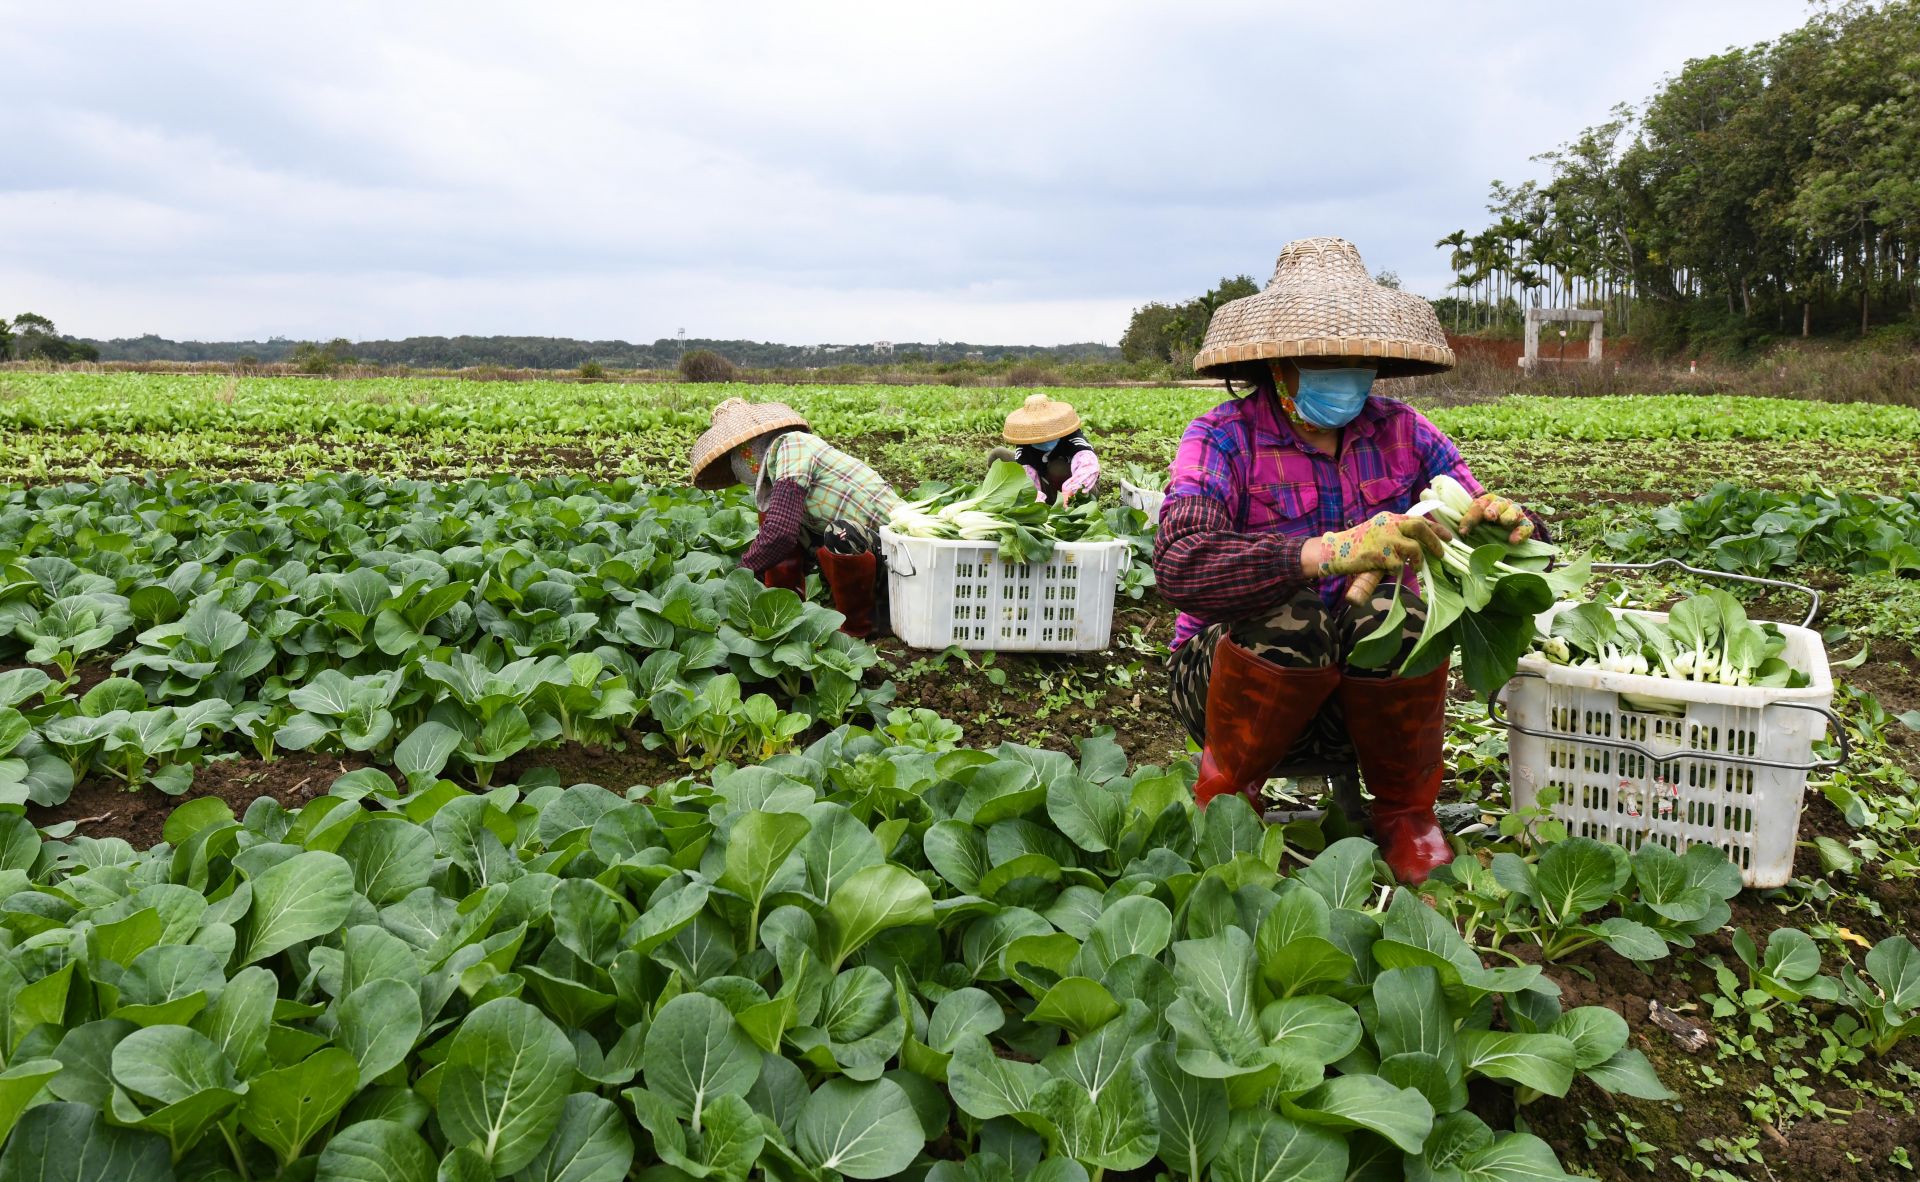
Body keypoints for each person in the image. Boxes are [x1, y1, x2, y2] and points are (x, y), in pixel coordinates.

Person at [1151, 237, 1544, 884]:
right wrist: (1329, 552)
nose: (1345, 372)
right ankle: (1228, 804)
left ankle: (1405, 817)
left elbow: (1475, 510)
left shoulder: (1405, 433)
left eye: (1355, 359)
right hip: (1234, 690)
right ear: (1278, 364)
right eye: (1323, 359)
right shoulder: (1222, 437)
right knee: (1293, 615)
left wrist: (1510, 521)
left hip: (1372, 709)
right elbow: (1181, 562)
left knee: (1402, 610)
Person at [690, 397, 900, 639]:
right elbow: (776, 530)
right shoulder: (778, 465)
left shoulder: (792, 446)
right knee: (776, 518)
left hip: (895, 550)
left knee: (838, 534)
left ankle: (864, 626)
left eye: (742, 450)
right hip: (871, 549)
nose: (740, 459)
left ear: (755, 442)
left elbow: (780, 533)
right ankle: (785, 613)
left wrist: (741, 572)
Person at [985, 393, 1101, 504]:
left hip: (1080, 487)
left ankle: (1067, 503)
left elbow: (1089, 466)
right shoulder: (1025, 440)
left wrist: (1071, 489)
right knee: (998, 455)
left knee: (1057, 467)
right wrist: (1037, 503)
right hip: (1044, 480)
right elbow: (1028, 476)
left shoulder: (1072, 437)